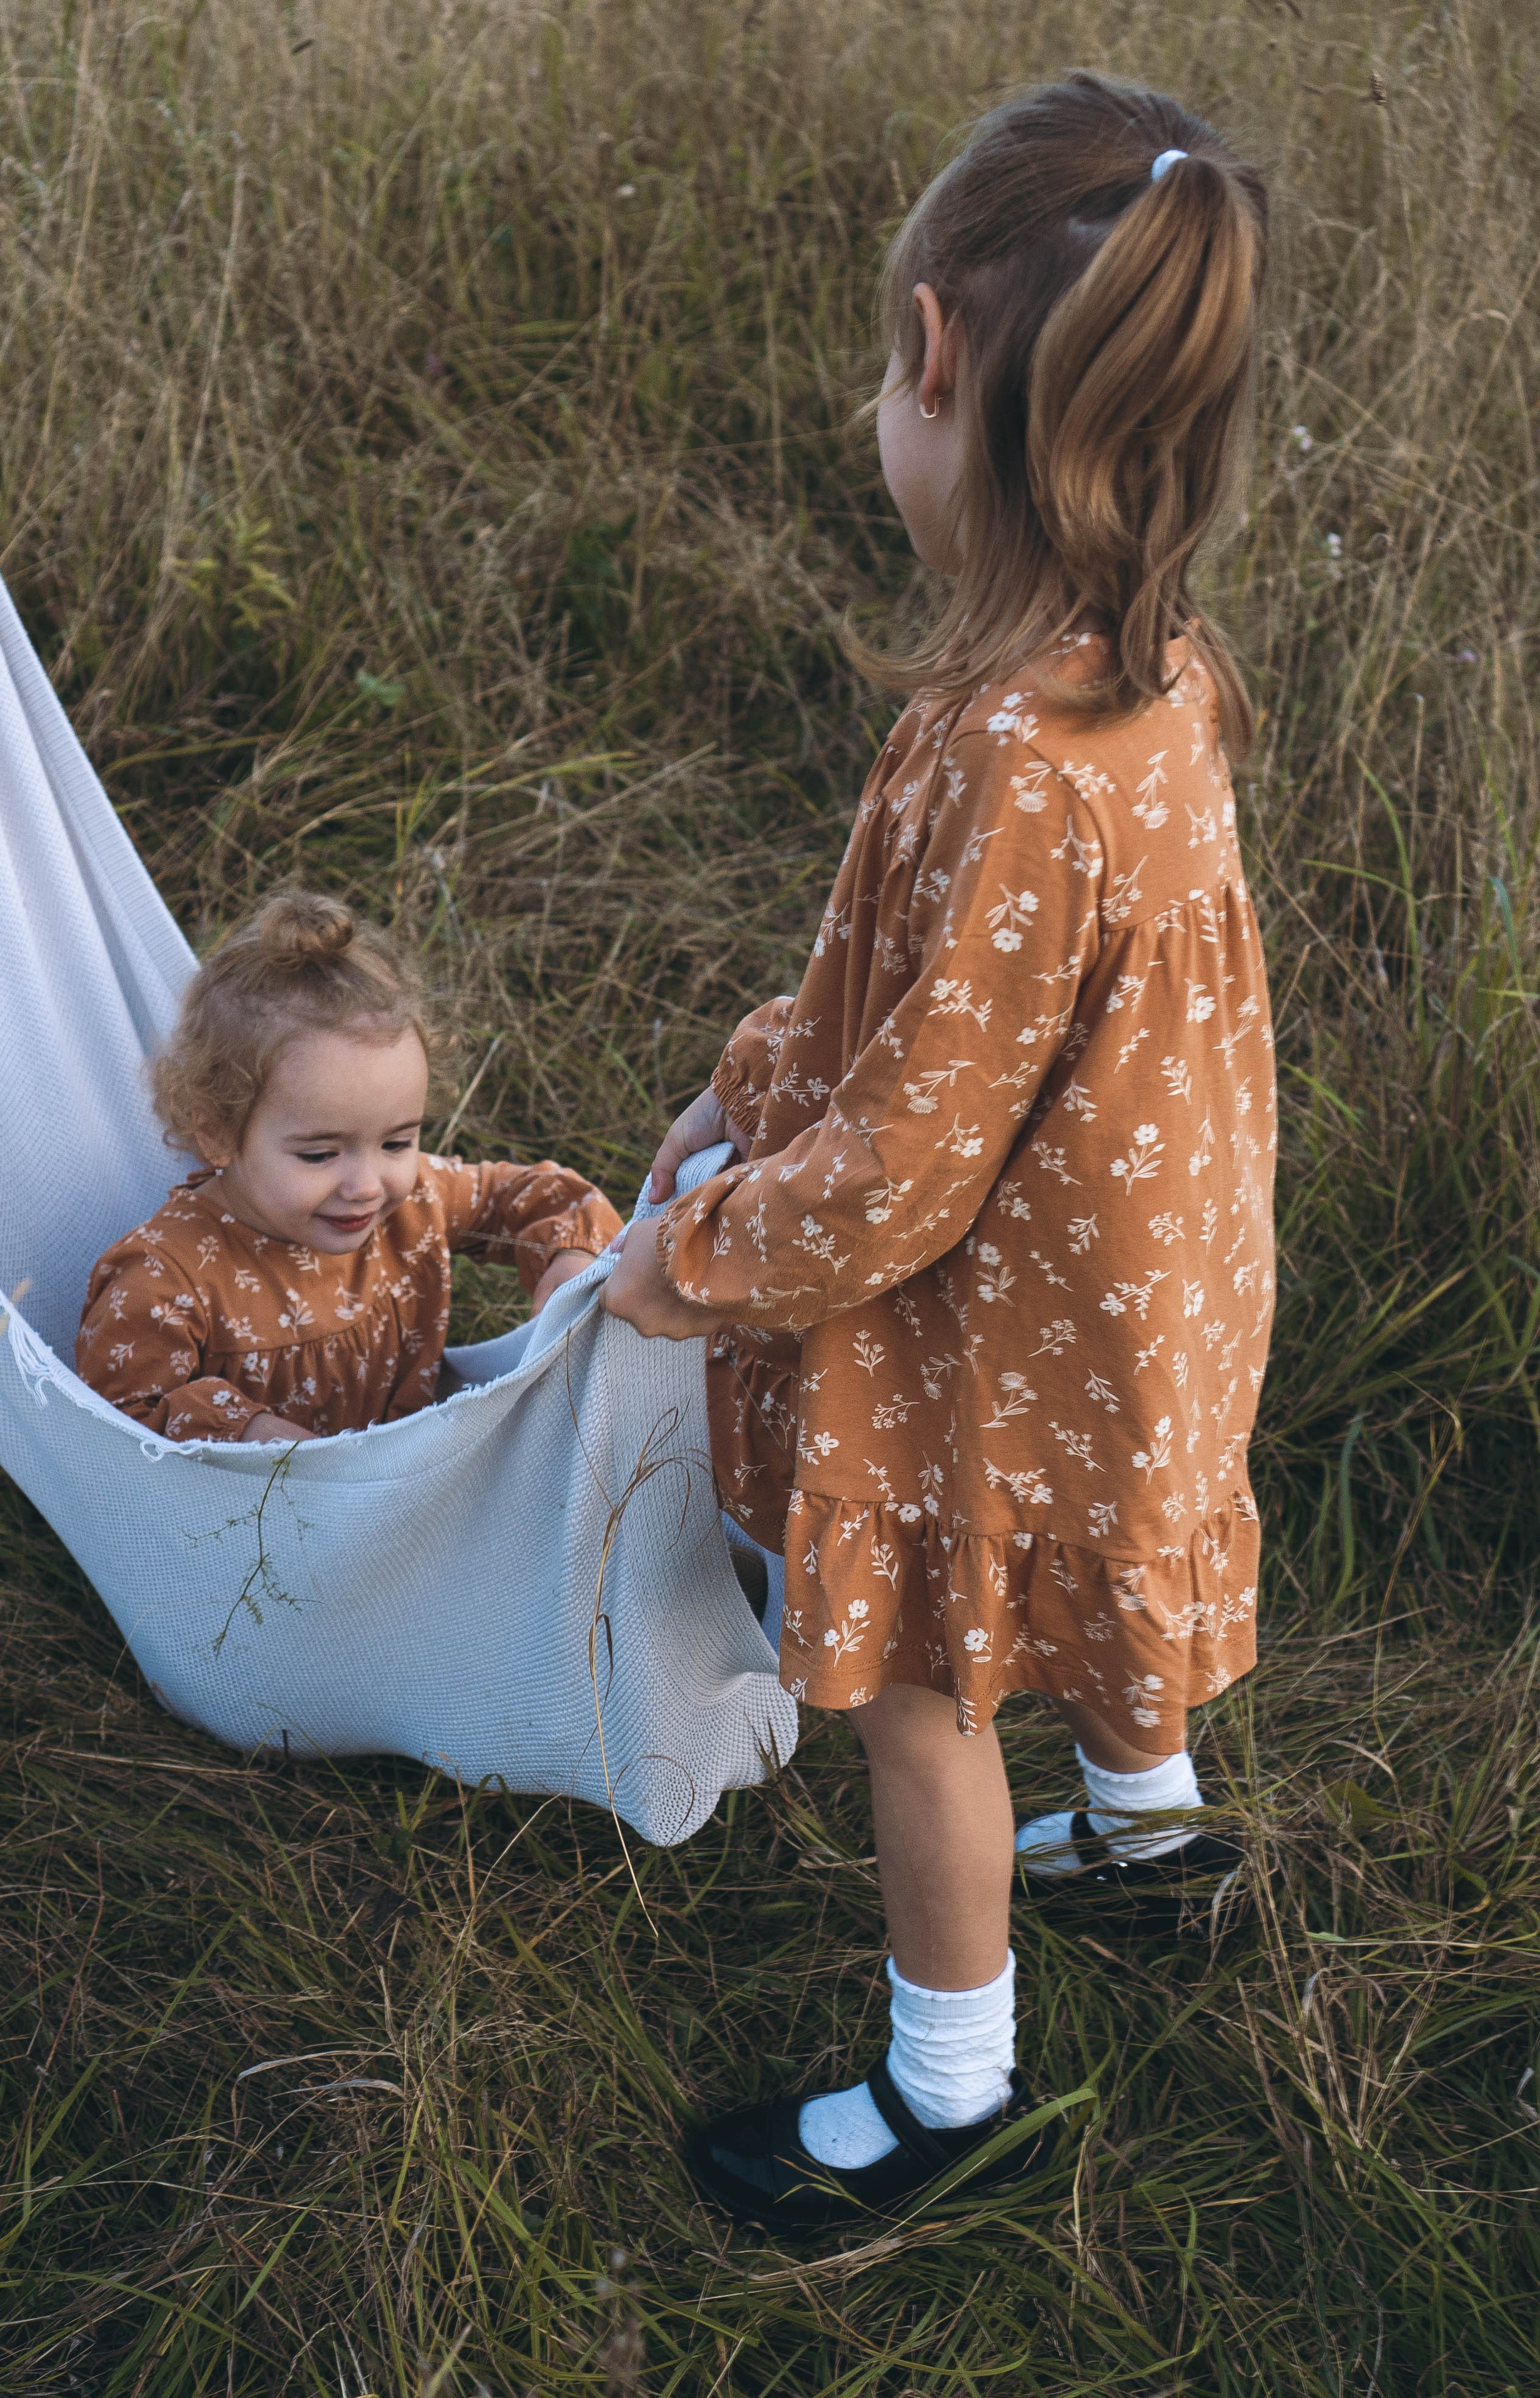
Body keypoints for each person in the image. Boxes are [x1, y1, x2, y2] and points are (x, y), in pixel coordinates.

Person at [605, 71, 1276, 2231]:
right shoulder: (1154, 679)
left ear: (930, 356)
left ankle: (947, 2079)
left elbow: (905, 1166)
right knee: (1103, 1560)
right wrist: (752, 1070)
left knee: (920, 1693)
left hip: (998, 1334)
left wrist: (687, 1256)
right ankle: (1151, 1834)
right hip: (1145, 1289)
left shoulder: (1004, 757)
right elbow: (915, 998)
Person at [78, 891, 619, 1443]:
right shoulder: (165, 1277)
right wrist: (251, 1433)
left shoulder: (414, 1202)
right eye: (319, 1154)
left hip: (410, 1482)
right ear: (217, 1132)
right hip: (252, 1520)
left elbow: (540, 1195)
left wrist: (569, 1256)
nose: (366, 1186)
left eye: (397, 1142)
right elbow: (122, 1416)